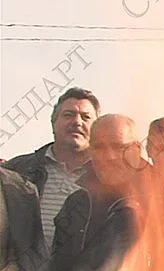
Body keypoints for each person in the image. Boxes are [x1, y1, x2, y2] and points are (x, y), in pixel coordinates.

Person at [2, 88, 100, 246]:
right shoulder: (16, 170)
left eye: (86, 117)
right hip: (21, 269)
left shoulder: (107, 179)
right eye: (68, 115)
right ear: (54, 122)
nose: (77, 122)